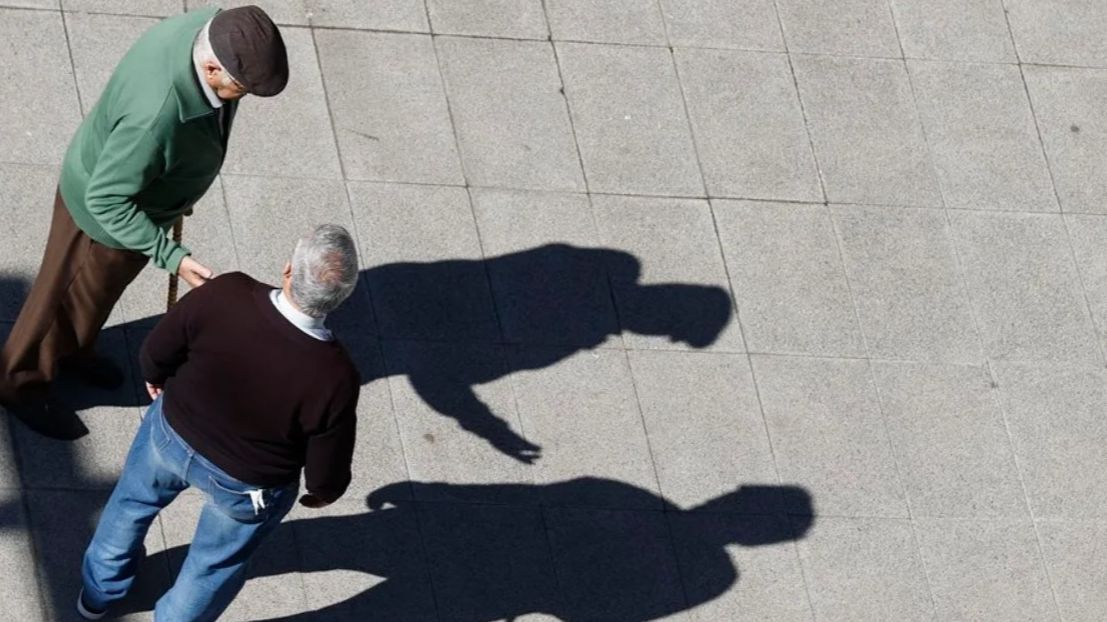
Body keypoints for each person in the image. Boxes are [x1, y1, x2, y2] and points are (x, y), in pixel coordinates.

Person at [0, 5, 289, 439]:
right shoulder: (156, 119)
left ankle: (75, 348)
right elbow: (106, 199)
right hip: (100, 224)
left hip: (139, 198)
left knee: (91, 301)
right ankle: (20, 381)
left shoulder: (206, 32)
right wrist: (170, 255)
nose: (242, 97)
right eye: (241, 88)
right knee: (59, 301)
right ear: (212, 66)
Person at [77, 225, 362, 621]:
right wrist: (322, 491)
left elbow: (157, 351)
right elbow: (327, 454)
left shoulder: (228, 293)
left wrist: (156, 375)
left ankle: (97, 593)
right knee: (213, 566)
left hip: (171, 433)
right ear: (342, 297)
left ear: (287, 270)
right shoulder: (337, 375)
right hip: (248, 482)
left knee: (130, 505)